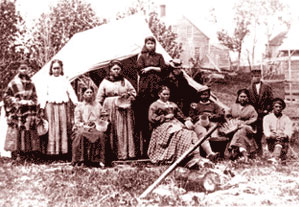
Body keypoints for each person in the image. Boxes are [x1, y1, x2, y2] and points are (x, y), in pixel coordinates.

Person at [147, 86, 211, 168]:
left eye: (168, 94)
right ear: (159, 94)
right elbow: (151, 118)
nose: (166, 96)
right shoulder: (155, 105)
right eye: (164, 94)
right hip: (162, 126)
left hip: (175, 123)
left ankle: (194, 156)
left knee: (191, 133)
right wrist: (165, 117)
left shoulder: (172, 104)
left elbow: (180, 115)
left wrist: (186, 119)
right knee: (179, 134)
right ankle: (183, 157)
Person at [96, 60, 136, 160]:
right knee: (112, 129)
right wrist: (101, 111)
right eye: (114, 69)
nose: (117, 71)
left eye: (118, 69)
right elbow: (99, 98)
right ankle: (112, 154)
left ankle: (124, 153)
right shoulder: (105, 82)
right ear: (110, 70)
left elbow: (134, 93)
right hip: (109, 108)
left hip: (123, 109)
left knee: (122, 130)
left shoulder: (125, 81)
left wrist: (128, 96)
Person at [135, 36, 167, 156]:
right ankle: (145, 147)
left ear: (155, 45)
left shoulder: (159, 56)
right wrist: (150, 70)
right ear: (145, 45)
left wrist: (151, 68)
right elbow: (140, 70)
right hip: (146, 88)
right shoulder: (142, 57)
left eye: (152, 43)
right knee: (145, 115)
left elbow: (164, 69)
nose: (150, 46)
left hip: (156, 87)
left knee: (158, 111)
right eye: (148, 43)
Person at [3, 60, 41, 161]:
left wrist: (31, 102)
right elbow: (6, 96)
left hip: (28, 111)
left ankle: (27, 154)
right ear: (18, 69)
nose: (24, 70)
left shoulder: (32, 83)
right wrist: (17, 102)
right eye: (21, 68)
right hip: (17, 112)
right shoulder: (13, 82)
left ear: (28, 69)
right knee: (16, 131)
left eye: (25, 68)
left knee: (28, 132)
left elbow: (35, 97)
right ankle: (16, 154)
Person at [41, 59, 78, 157]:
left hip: (62, 106)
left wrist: (76, 102)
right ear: (51, 69)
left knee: (63, 127)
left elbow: (71, 92)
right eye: (54, 68)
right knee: (52, 128)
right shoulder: (47, 80)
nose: (56, 70)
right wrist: (41, 106)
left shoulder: (64, 79)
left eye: (58, 68)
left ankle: (63, 152)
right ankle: (52, 152)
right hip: (50, 107)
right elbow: (44, 94)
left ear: (61, 69)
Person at [72, 87, 109, 167]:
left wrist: (102, 120)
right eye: (87, 92)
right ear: (83, 95)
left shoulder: (97, 105)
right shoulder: (79, 106)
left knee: (101, 135)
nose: (89, 94)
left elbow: (104, 115)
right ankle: (80, 160)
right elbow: (77, 121)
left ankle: (100, 160)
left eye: (91, 92)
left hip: (95, 127)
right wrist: (85, 125)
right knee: (80, 134)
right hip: (83, 127)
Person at [185, 86, 223, 161]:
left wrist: (213, 116)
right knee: (202, 133)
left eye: (206, 94)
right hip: (199, 123)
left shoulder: (213, 105)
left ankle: (217, 153)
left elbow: (221, 114)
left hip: (211, 122)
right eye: (203, 95)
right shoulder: (195, 105)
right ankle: (210, 154)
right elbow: (191, 115)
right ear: (199, 95)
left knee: (214, 133)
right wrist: (199, 117)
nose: (205, 96)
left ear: (209, 95)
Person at [224, 89, 258, 162]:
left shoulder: (251, 108)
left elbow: (254, 118)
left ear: (248, 98)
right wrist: (230, 121)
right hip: (234, 126)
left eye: (244, 97)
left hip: (247, 126)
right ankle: (244, 153)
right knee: (239, 132)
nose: (242, 98)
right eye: (241, 96)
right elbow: (227, 114)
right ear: (238, 97)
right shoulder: (234, 106)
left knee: (241, 130)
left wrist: (245, 123)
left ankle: (232, 147)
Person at [247, 68, 273, 156]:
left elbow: (271, 100)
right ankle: (258, 152)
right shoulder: (249, 89)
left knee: (266, 132)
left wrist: (267, 109)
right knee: (256, 133)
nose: (256, 78)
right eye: (254, 76)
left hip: (264, 113)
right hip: (255, 115)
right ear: (251, 77)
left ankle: (269, 151)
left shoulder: (266, 87)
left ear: (260, 76)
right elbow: (248, 102)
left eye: (258, 76)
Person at [263, 98, 293, 163]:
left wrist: (284, 135)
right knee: (277, 140)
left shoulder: (286, 118)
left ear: (282, 108)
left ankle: (275, 157)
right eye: (276, 107)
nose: (278, 108)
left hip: (283, 141)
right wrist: (272, 135)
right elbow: (266, 131)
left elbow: (288, 131)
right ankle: (276, 156)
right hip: (271, 141)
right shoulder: (267, 118)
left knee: (280, 139)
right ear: (273, 107)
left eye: (280, 107)